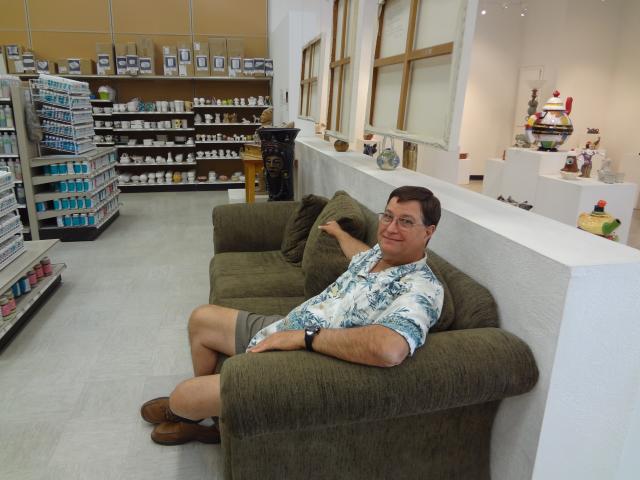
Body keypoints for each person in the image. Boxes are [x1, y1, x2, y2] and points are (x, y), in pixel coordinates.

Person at [140, 186, 444, 445]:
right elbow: (358, 253)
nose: (390, 228)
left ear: (429, 231)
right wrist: (339, 232)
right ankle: (215, 420)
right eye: (387, 216)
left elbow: (389, 349)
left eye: (406, 222)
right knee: (201, 319)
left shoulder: (422, 289)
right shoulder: (378, 254)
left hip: (302, 359)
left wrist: (304, 338)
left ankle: (191, 412)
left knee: (182, 396)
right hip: (286, 326)